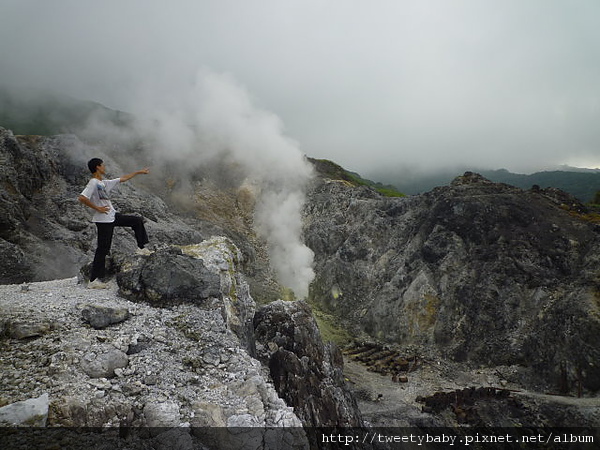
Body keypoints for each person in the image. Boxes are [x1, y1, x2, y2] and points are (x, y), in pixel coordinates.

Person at [78, 158, 150, 285]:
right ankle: (94, 280)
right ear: (98, 167)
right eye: (103, 165)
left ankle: (141, 248)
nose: (104, 167)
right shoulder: (93, 182)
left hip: (112, 216)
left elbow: (123, 178)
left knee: (137, 220)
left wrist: (138, 172)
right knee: (103, 249)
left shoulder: (104, 183)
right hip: (103, 220)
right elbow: (82, 198)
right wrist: (97, 208)